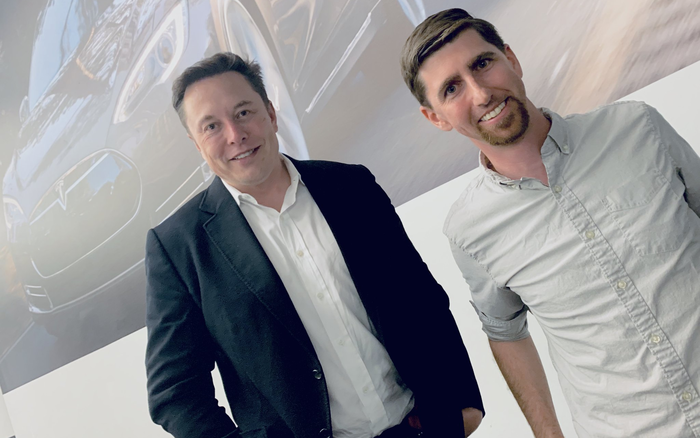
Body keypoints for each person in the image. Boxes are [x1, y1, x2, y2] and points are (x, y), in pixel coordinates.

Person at [144, 52, 484, 438]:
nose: (235, 134)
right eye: (211, 126)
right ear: (196, 143)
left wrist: (462, 402)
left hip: (420, 427)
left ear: (270, 114)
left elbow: (423, 298)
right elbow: (175, 392)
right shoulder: (178, 247)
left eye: (243, 112)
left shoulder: (351, 187)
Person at [400, 8, 700, 438]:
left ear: (511, 59)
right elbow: (506, 333)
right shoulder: (469, 231)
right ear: (437, 118)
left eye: (482, 63)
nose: (480, 93)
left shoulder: (638, 127)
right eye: (452, 88)